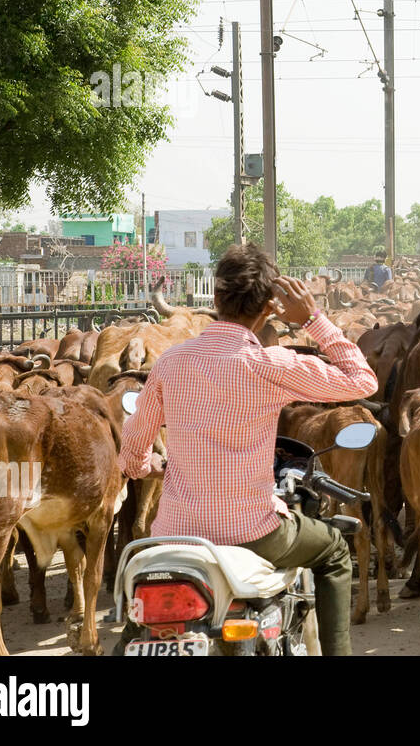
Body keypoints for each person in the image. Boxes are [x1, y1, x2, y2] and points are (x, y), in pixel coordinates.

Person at [119, 242, 378, 656]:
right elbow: (363, 381)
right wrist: (312, 318)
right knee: (333, 552)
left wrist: (155, 466)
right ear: (269, 309)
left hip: (173, 535)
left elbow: (131, 457)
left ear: (216, 299)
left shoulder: (171, 363)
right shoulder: (269, 364)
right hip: (251, 532)